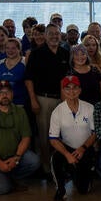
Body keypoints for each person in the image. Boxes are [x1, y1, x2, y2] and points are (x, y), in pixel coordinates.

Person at [0, 80, 40, 195]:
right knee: (3, 189)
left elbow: (26, 138)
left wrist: (16, 158)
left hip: (14, 156)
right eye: (1, 93)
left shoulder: (20, 112)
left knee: (34, 161)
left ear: (12, 94)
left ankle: (11, 176)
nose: (4, 95)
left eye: (8, 92)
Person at [24, 23, 71, 174]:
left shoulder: (65, 53)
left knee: (63, 134)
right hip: (43, 100)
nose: (54, 36)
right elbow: (28, 79)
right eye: (50, 33)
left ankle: (62, 167)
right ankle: (47, 168)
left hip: (62, 100)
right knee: (45, 136)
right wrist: (33, 100)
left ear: (60, 35)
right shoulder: (36, 54)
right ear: (45, 36)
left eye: (57, 33)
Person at [49, 74, 96, 201]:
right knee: (56, 158)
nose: (71, 91)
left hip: (85, 148)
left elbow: (94, 134)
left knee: (83, 190)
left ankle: (77, 173)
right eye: (68, 88)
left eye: (75, 88)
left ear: (80, 90)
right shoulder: (57, 111)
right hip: (67, 148)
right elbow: (53, 139)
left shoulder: (89, 108)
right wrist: (67, 154)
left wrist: (83, 148)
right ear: (63, 91)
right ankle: (60, 189)